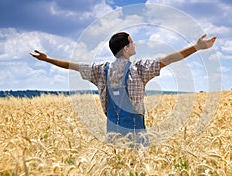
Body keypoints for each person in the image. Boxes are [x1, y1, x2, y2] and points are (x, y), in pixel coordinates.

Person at [30, 32, 216, 147]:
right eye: (132, 42)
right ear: (126, 49)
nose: (135, 45)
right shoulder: (139, 68)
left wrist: (48, 59)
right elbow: (169, 58)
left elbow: (72, 66)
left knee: (117, 166)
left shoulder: (100, 70)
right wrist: (196, 47)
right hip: (136, 130)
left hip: (112, 129)